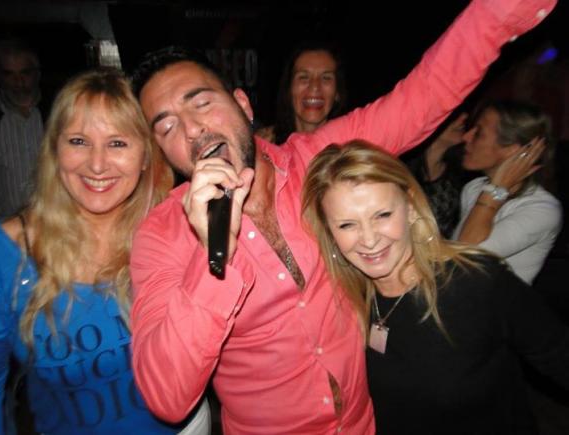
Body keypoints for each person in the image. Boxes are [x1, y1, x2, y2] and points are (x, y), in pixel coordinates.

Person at [129, 1, 557, 433]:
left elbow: (422, 96)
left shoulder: (315, 158)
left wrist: (498, 10)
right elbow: (168, 398)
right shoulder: (161, 236)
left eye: (202, 103)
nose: (192, 130)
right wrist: (211, 257)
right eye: (166, 127)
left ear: (242, 104)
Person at [0, 68, 211, 434]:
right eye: (78, 141)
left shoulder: (175, 227)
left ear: (146, 156)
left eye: (117, 143)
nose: (96, 164)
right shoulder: (6, 252)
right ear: (54, 149)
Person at [301, 140, 569, 434]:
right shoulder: (346, 300)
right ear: (330, 232)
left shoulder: (477, 281)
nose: (369, 239)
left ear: (411, 207)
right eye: (347, 225)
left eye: (382, 215)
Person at [452, 100, 562, 284]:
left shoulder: (542, 209)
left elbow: (466, 255)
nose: (466, 137)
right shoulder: (473, 188)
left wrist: (495, 190)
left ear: (512, 150)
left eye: (478, 133)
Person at [0, 37, 49, 220]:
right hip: (5, 226)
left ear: (37, 73)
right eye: (9, 74)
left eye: (25, 72)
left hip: (53, 224)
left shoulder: (56, 112)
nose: (18, 81)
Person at [256, 42, 347, 143]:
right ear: (289, 88)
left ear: (337, 92)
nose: (315, 87)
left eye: (326, 78)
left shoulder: (351, 149)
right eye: (304, 77)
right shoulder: (264, 146)